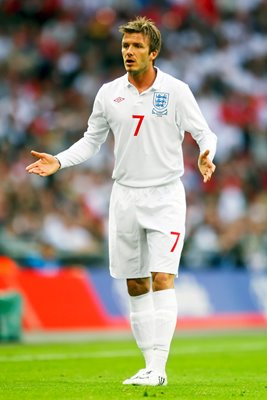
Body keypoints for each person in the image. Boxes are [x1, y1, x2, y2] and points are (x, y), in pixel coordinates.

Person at [26, 16, 217, 386]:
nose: (128, 52)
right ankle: (149, 366)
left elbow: (203, 130)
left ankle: (159, 370)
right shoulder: (108, 93)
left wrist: (206, 152)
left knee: (162, 276)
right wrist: (60, 160)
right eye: (125, 46)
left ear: (154, 52)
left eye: (137, 47)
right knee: (135, 283)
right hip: (125, 196)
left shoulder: (176, 91)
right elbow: (91, 140)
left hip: (165, 195)